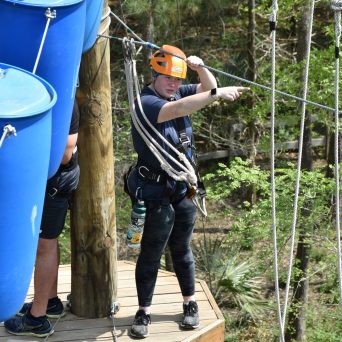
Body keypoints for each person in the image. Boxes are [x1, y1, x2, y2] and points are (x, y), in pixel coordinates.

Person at [125, 45, 249, 338]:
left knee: (182, 249)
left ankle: (189, 303)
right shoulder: (147, 102)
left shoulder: (177, 91)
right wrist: (216, 95)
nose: (174, 84)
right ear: (154, 74)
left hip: (183, 188)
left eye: (178, 80)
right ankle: (143, 311)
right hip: (155, 193)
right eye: (168, 77)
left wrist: (201, 68)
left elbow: (209, 88)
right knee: (151, 253)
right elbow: (182, 108)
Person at [4, 100, 81, 338]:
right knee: (46, 244)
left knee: (44, 245)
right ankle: (49, 302)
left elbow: (65, 155)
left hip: (56, 180)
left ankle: (37, 319)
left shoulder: (65, 100)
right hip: (48, 179)